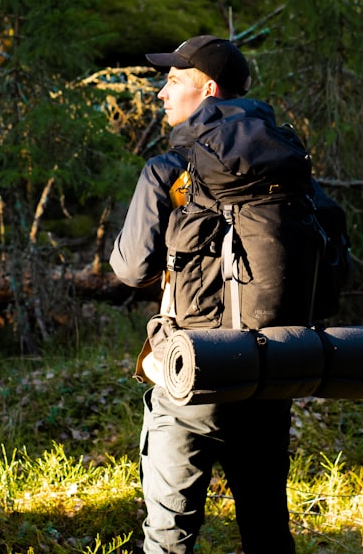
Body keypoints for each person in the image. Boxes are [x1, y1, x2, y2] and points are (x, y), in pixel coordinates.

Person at [109, 35, 298, 554]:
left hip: (193, 373)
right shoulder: (288, 166)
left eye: (173, 81)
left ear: (208, 90)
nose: (161, 94)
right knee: (266, 529)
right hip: (272, 368)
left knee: (169, 537)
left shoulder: (168, 172)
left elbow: (130, 269)